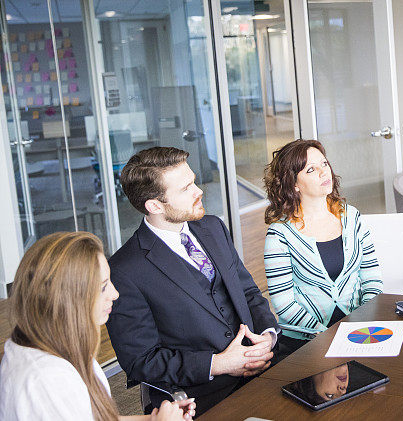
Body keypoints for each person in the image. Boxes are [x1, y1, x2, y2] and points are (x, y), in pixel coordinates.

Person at [106, 147, 279, 416]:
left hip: (263, 370)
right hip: (198, 398)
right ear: (154, 206)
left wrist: (267, 337)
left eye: (194, 181)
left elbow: (249, 293)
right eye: (186, 188)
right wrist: (218, 364)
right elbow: (140, 361)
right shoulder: (124, 270)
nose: (199, 191)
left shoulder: (213, 227)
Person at [0, 231, 194, 421]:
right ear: (67, 300)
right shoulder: (47, 382)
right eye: (103, 287)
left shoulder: (57, 344)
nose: (115, 294)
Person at [264, 139, 383, 354]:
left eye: (324, 164)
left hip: (359, 333)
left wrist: (363, 325)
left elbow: (372, 279)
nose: (323, 172)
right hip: (307, 342)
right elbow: (284, 304)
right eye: (311, 169)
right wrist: (327, 337)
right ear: (294, 184)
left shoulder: (351, 217)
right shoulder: (279, 234)